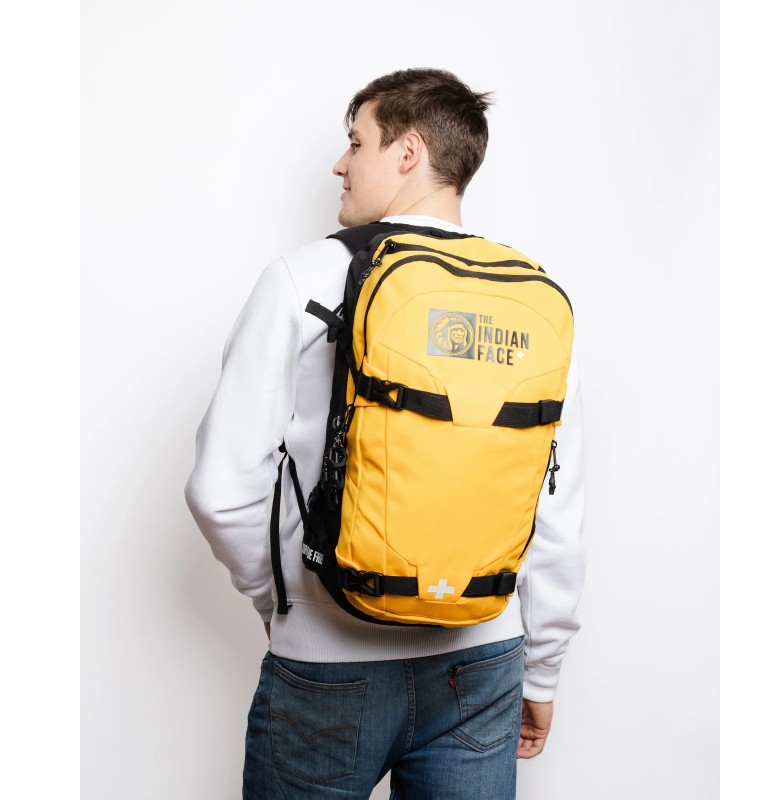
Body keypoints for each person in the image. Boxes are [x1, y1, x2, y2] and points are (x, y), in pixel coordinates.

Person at [185, 67, 586, 800]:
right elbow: (555, 508)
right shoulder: (533, 300)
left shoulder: (302, 278)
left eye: (356, 141)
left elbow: (221, 490)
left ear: (407, 152)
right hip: (485, 662)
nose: (340, 164)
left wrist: (288, 608)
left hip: (328, 665)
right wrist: (543, 669)